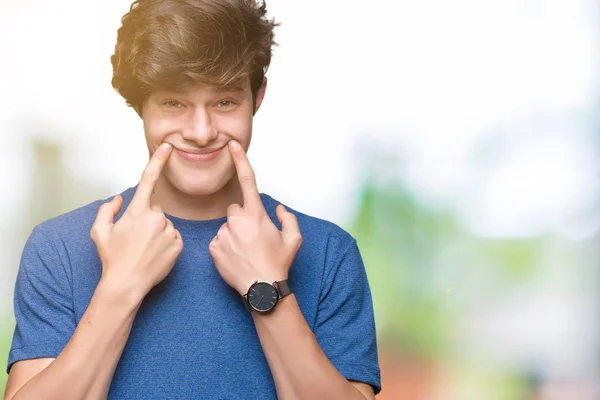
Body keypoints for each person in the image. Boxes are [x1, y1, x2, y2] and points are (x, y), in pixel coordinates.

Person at [4, 1, 381, 399]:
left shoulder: (327, 252)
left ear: (258, 96)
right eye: (173, 103)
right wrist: (120, 286)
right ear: (140, 105)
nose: (201, 132)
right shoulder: (60, 247)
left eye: (224, 103)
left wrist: (268, 289)